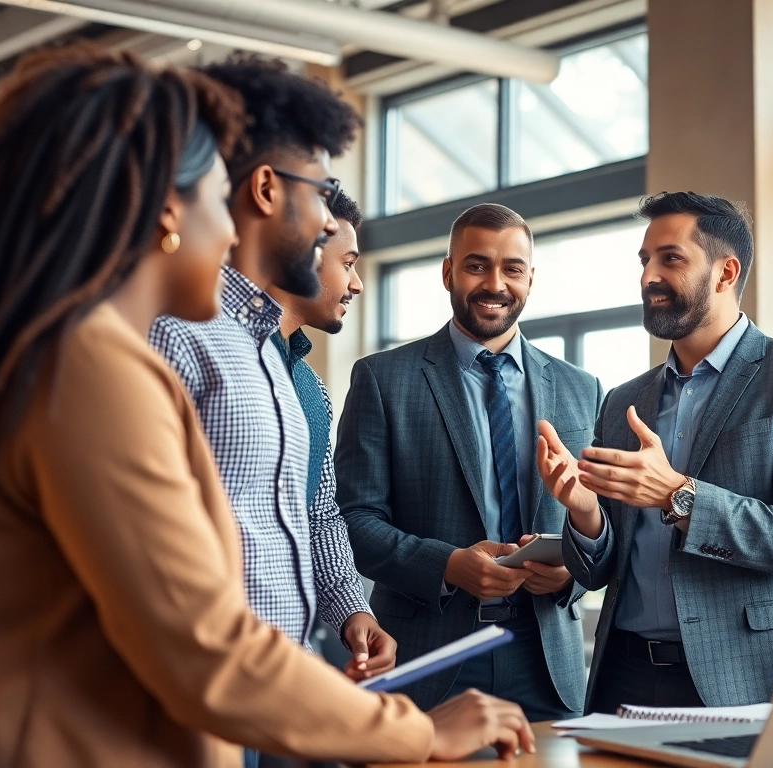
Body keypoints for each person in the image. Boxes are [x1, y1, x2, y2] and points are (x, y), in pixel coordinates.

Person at [0, 45, 531, 766]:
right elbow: (205, 647)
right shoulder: (90, 366)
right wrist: (418, 732)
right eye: (212, 199)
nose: (227, 231)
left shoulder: (44, 348)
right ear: (169, 210)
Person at [535, 191, 773, 713]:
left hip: (746, 678)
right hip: (623, 678)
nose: (647, 276)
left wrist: (679, 495)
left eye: (670, 259)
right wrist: (585, 514)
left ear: (726, 273)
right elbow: (598, 572)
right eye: (644, 260)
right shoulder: (623, 400)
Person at [148, 55, 396, 684]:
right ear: (265, 189)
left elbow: (311, 511)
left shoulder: (277, 362)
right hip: (204, 684)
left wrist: (348, 610)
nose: (324, 223)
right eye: (318, 194)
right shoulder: (171, 338)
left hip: (281, 676)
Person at [338, 203, 600, 722]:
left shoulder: (581, 388)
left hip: (547, 657)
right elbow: (351, 522)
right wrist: (449, 566)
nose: (495, 284)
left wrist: (572, 570)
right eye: (477, 265)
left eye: (512, 269)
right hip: (428, 653)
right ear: (447, 271)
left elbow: (605, 523)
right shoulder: (383, 379)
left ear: (530, 278)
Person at [263, 190, 369, 670]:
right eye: (348, 263)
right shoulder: (215, 353)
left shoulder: (312, 390)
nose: (357, 284)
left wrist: (353, 612)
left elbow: (321, 516)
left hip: (294, 657)